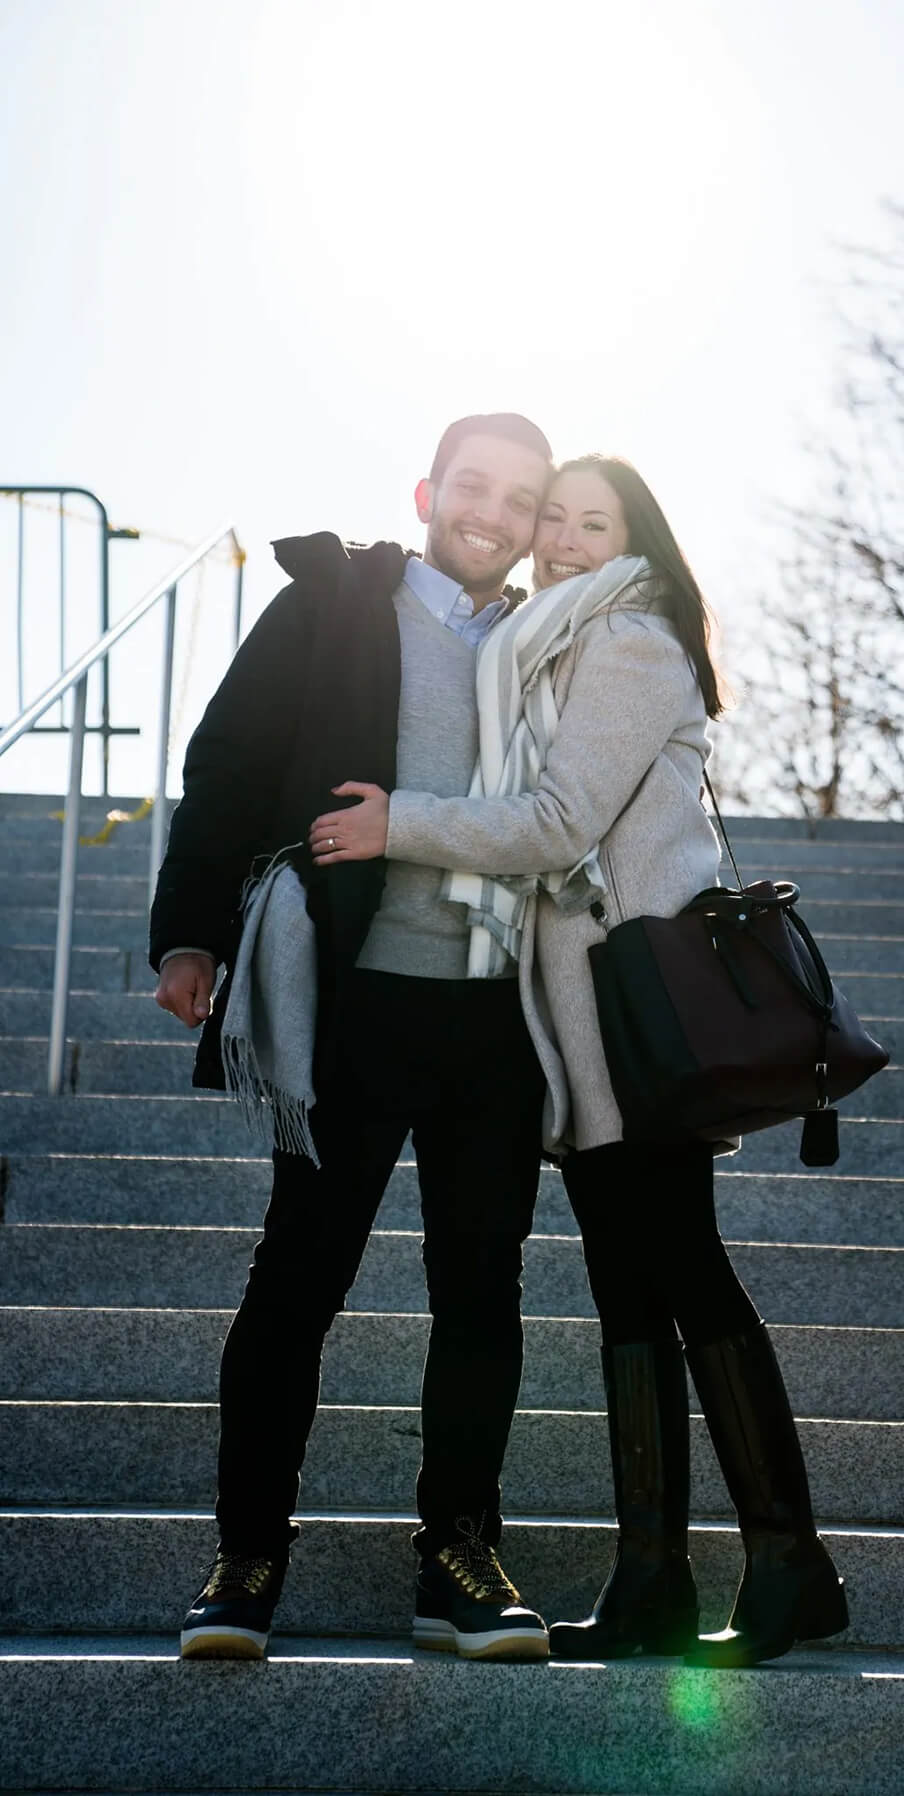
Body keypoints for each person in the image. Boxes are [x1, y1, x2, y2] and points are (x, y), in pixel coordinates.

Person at [306, 453, 849, 1668]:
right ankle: (651, 1571)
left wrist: (404, 820)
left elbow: (557, 822)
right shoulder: (551, 646)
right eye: (553, 517)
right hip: (583, 1036)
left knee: (690, 1273)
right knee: (624, 1290)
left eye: (588, 523)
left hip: (640, 1021)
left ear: (633, 539)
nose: (557, 538)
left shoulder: (632, 641)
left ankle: (790, 1559)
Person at [151, 413, 559, 1663]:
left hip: (499, 1010)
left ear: (541, 522)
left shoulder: (556, 642)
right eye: (473, 485)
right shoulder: (337, 601)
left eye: (520, 499)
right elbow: (227, 760)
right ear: (430, 489)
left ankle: (456, 1553)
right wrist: (190, 930)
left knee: (482, 1290)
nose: (490, 513)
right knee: (298, 1278)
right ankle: (248, 1552)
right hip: (356, 997)